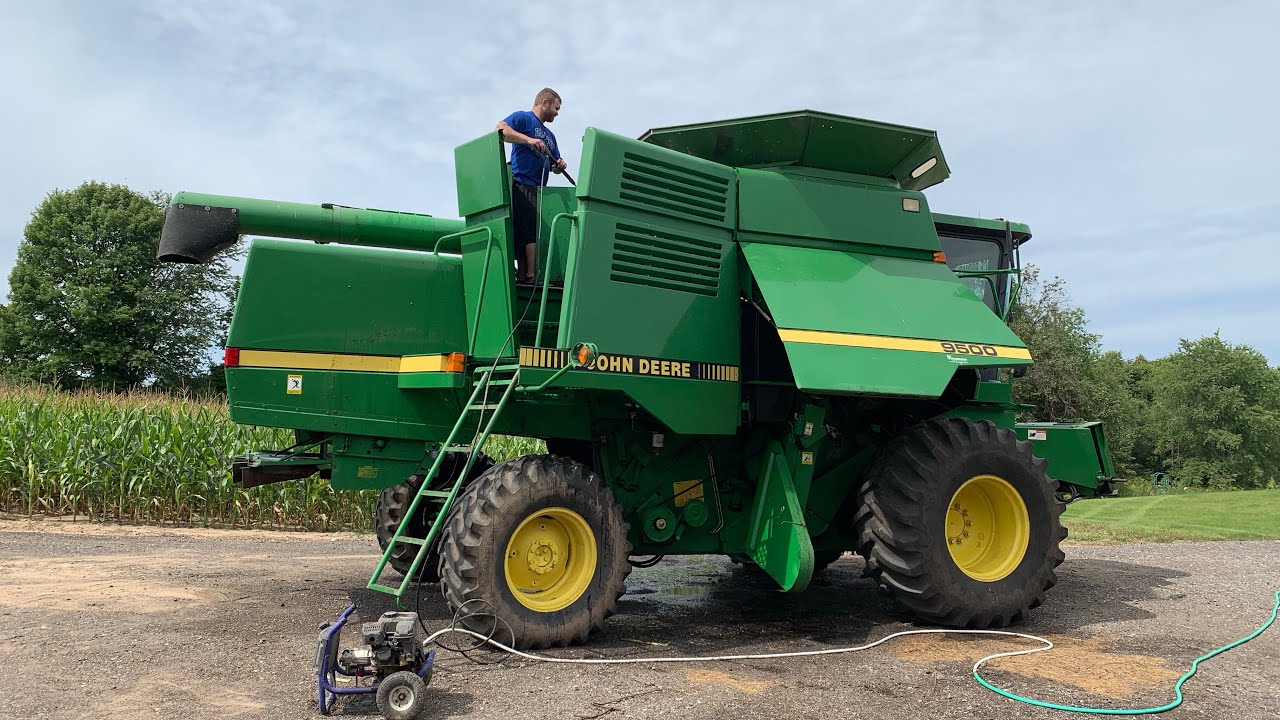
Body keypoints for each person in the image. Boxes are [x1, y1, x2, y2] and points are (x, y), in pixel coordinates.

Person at [497, 88, 569, 285]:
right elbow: (501, 130)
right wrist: (528, 139)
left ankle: (526, 274)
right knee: (526, 228)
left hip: (540, 190)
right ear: (544, 102)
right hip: (522, 182)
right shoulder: (523, 118)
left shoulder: (550, 136)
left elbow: (554, 163)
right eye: (556, 108)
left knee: (532, 228)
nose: (557, 113)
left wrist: (559, 165)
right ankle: (529, 274)